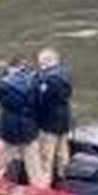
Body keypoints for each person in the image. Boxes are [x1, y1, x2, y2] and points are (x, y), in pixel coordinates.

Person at [0, 54, 43, 185]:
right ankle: (40, 192)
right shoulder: (37, 82)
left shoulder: (3, 84)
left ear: (11, 68)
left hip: (9, 130)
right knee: (35, 167)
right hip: (30, 129)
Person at [34, 47, 73, 187]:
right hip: (64, 122)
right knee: (62, 152)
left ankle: (43, 186)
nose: (39, 65)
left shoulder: (48, 80)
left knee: (46, 157)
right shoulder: (66, 73)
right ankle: (63, 177)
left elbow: (41, 101)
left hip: (49, 124)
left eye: (40, 61)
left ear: (47, 61)